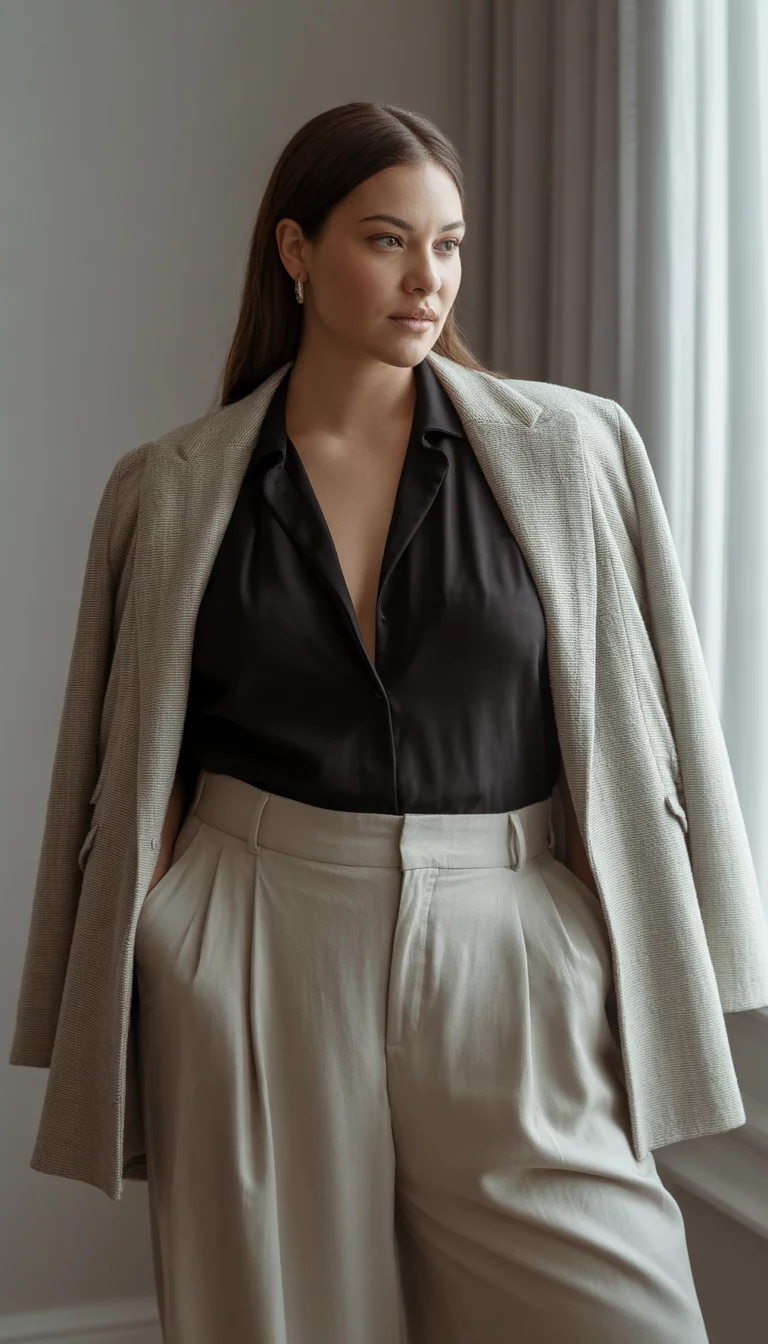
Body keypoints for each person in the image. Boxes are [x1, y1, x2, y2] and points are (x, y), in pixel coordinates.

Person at [18, 98, 768, 1343]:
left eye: (451, 244)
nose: (431, 280)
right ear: (296, 251)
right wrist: (157, 951)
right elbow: (127, 766)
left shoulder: (573, 451)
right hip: (253, 943)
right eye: (388, 241)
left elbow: (658, 718)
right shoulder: (170, 490)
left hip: (516, 938)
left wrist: (642, 922)